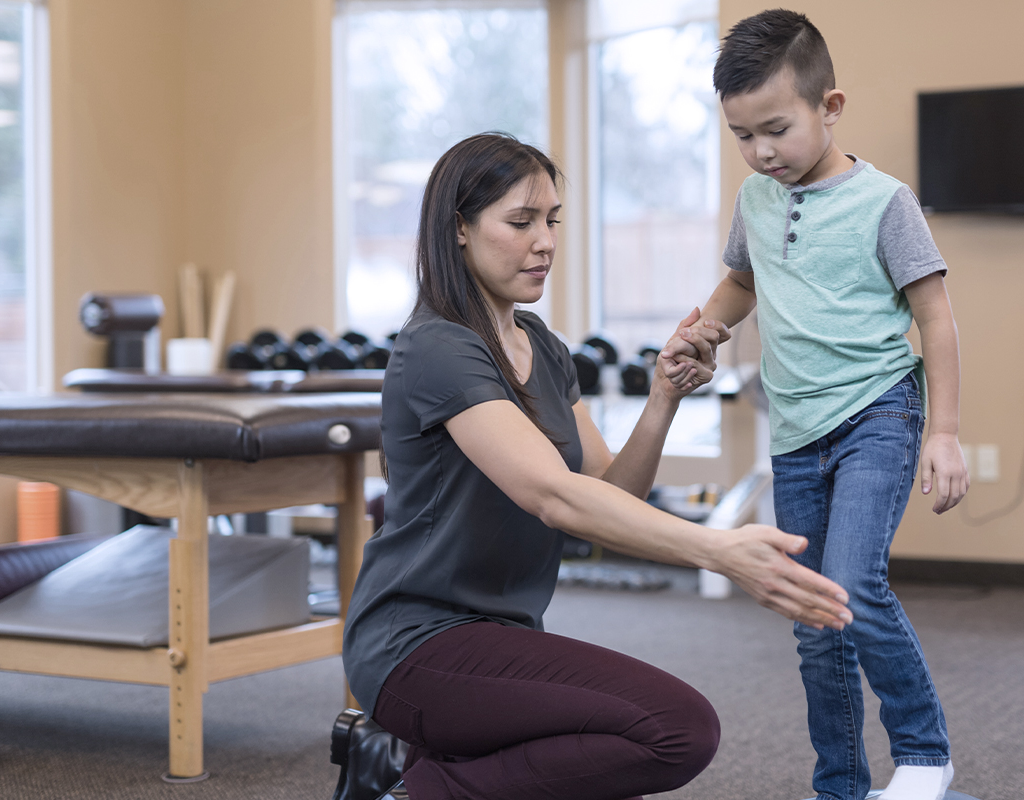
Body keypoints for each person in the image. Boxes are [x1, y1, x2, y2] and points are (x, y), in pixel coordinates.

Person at [341, 132, 855, 800]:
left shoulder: (544, 349)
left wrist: (663, 396)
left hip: (501, 635)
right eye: (520, 221)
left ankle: (403, 768)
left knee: (605, 768)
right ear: (459, 230)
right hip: (415, 644)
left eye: (552, 220)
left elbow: (611, 498)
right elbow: (553, 496)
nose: (545, 241)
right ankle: (411, 791)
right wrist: (720, 551)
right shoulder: (439, 346)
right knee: (674, 730)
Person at [661, 10, 970, 800]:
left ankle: (926, 754)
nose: (761, 152)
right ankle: (840, 784)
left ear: (830, 107)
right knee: (812, 620)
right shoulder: (757, 200)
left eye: (776, 129)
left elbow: (935, 317)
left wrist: (945, 433)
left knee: (852, 584)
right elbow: (742, 279)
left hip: (879, 412)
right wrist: (709, 330)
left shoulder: (885, 202)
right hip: (796, 433)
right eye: (742, 136)